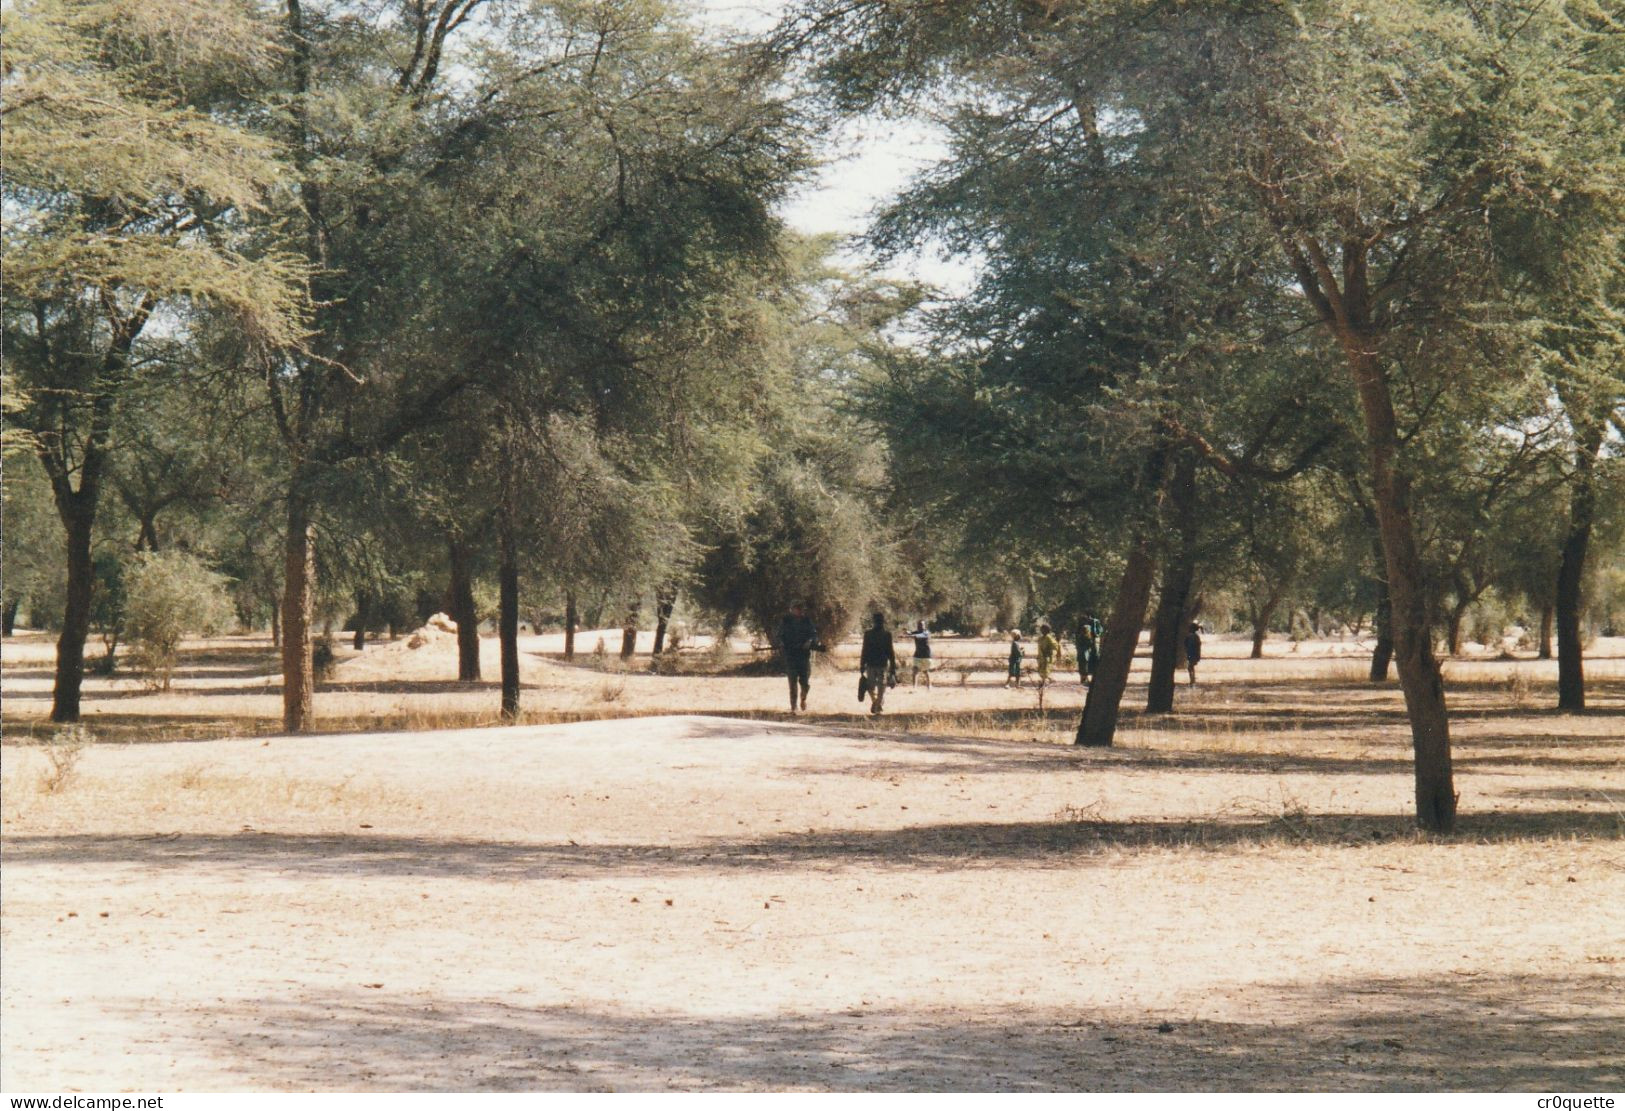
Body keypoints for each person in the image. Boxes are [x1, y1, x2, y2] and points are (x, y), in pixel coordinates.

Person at [778, 601, 819, 712]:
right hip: (790, 655)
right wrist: (781, 643)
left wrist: (809, 642)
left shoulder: (807, 621)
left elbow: (814, 635)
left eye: (800, 609)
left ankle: (803, 698)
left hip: (803, 656)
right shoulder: (786, 621)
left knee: (805, 683)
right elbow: (780, 635)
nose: (799, 611)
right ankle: (793, 707)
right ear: (792, 609)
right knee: (792, 683)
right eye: (796, 608)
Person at [859, 612, 898, 714]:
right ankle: (877, 704)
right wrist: (893, 668)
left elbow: (865, 650)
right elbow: (891, 652)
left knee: (873, 686)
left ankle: (876, 704)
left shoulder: (869, 634)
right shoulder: (885, 635)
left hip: (874, 664)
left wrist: (862, 664)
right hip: (879, 664)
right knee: (879, 686)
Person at [908, 620, 933, 688]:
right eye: (919, 625)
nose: (920, 626)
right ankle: (914, 687)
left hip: (926, 655)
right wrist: (907, 632)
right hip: (917, 655)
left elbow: (918, 636)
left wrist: (911, 635)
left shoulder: (926, 633)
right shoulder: (916, 632)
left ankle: (929, 686)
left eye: (922, 625)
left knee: (926, 671)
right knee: (915, 670)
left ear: (924, 626)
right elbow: (910, 633)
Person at [1184, 621, 1203, 686]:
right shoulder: (1196, 637)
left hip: (1190, 653)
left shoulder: (1189, 636)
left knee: (1190, 667)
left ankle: (1192, 680)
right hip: (1195, 654)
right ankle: (1192, 679)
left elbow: (1185, 645)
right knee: (1191, 667)